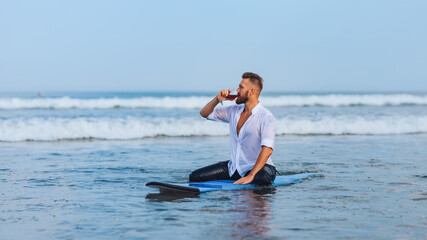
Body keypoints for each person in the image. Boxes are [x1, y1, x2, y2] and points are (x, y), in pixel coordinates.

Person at [189, 72, 277, 185]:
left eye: (241, 87)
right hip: (235, 167)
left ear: (252, 92)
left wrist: (250, 176)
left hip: (261, 169)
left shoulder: (265, 116)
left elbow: (268, 149)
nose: (237, 90)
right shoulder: (233, 111)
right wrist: (217, 99)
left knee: (261, 179)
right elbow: (204, 113)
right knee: (195, 177)